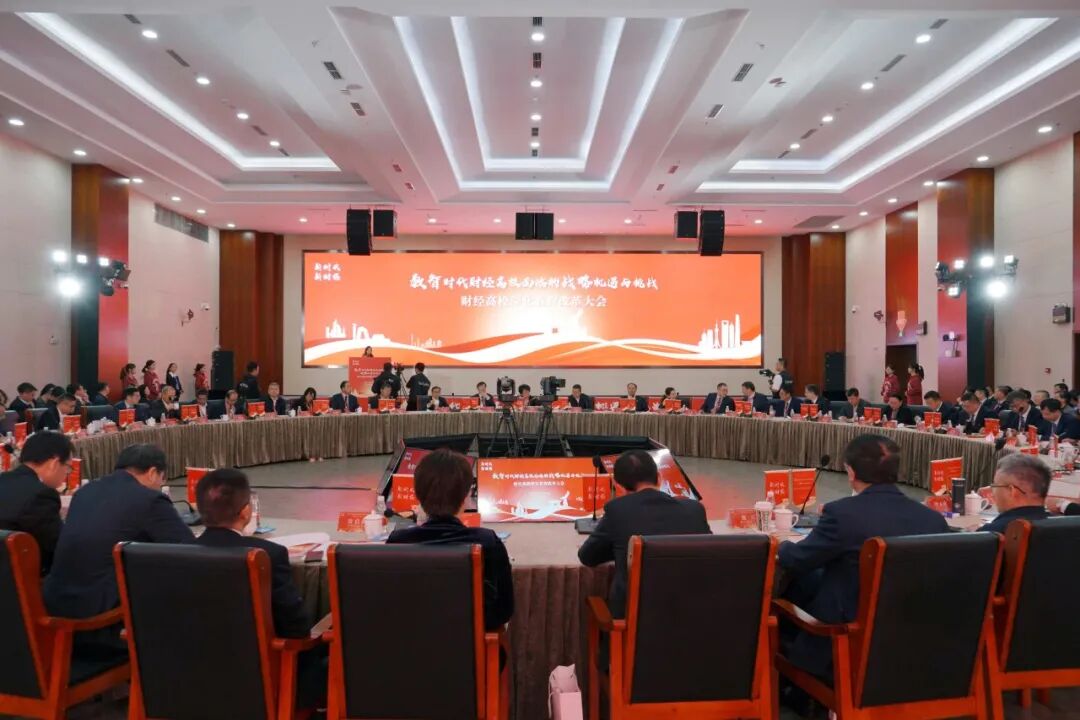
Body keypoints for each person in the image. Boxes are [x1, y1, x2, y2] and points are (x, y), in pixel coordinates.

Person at [777, 434, 948, 680]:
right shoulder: (933, 520)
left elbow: (797, 559)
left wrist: (780, 545)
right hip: (913, 644)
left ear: (851, 472)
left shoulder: (842, 514)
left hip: (847, 641)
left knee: (790, 587)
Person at [43, 444, 195, 651]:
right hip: (102, 621)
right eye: (162, 479)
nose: (161, 485)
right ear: (153, 472)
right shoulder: (149, 499)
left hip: (57, 606)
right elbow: (190, 552)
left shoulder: (85, 492)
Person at [387, 449, 513, 631]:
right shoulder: (487, 541)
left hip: (409, 645)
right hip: (470, 647)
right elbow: (504, 610)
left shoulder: (398, 542)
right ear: (466, 496)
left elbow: (391, 604)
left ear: (418, 495)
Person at [578, 449, 710, 619]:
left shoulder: (618, 510)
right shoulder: (694, 510)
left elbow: (588, 557)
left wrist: (620, 548)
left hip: (634, 622)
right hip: (693, 617)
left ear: (618, 487)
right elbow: (709, 553)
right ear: (659, 478)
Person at [195, 468, 311, 637]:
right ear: (245, 512)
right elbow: (296, 625)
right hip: (258, 653)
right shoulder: (268, 554)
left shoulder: (178, 552)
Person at [0, 432, 72, 573]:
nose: (66, 474)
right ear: (54, 463)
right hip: (23, 579)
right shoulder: (41, 496)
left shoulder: (3, 479)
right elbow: (62, 548)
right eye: (68, 467)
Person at [979, 454, 1050, 534]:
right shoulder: (1057, 525)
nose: (992, 492)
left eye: (995, 485)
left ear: (1011, 491)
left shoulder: (994, 532)